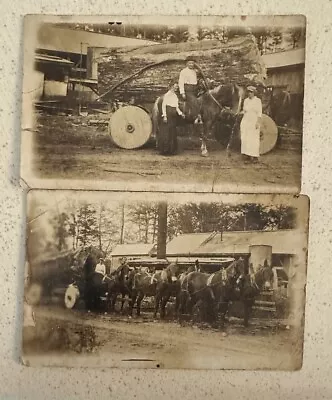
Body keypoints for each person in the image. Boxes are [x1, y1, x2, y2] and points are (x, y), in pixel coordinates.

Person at [159, 82, 185, 155]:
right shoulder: (167, 95)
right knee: (166, 133)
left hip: (173, 116)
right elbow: (163, 105)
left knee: (172, 132)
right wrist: (164, 116)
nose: (176, 88)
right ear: (171, 87)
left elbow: (176, 107)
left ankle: (171, 151)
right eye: (175, 86)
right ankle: (165, 151)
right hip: (168, 114)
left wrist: (181, 114)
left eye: (177, 87)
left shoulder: (175, 96)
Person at [240, 86, 263, 163]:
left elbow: (259, 113)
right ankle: (247, 155)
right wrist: (239, 113)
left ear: (254, 93)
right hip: (245, 120)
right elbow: (244, 111)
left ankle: (254, 156)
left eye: (251, 92)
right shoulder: (246, 101)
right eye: (248, 92)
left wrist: (258, 122)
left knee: (253, 139)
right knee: (245, 138)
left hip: (253, 121)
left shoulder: (257, 101)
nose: (249, 94)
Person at [178, 57, 202, 123]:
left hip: (195, 90)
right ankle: (196, 117)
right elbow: (181, 82)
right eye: (190, 63)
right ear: (187, 64)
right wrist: (182, 92)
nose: (191, 64)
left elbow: (196, 81)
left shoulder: (194, 72)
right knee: (194, 101)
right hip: (188, 90)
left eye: (192, 63)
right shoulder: (183, 71)